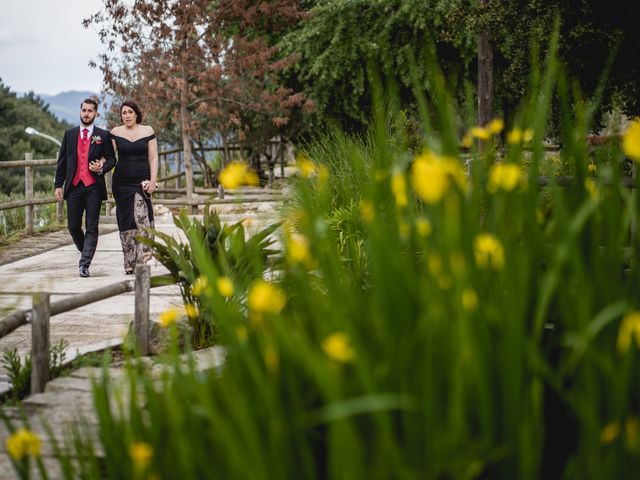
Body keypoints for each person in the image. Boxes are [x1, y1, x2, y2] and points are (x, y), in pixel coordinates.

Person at [55, 98, 116, 278]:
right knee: (73, 226)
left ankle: (84, 264)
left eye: (90, 111)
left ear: (95, 114)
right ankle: (86, 251)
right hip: (73, 187)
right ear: (80, 112)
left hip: (93, 188)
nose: (87, 114)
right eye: (84, 110)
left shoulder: (103, 136)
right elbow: (62, 162)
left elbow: (112, 159)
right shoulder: (70, 134)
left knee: (91, 227)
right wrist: (58, 185)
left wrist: (102, 168)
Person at [110, 100, 158, 275]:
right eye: (124, 113)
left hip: (141, 183)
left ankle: (142, 259)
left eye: (130, 112)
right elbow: (109, 157)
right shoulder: (115, 132)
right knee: (126, 221)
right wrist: (99, 164)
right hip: (121, 184)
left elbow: (153, 158)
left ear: (136, 113)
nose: (127, 115)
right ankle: (129, 263)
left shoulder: (148, 131)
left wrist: (153, 181)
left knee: (142, 219)